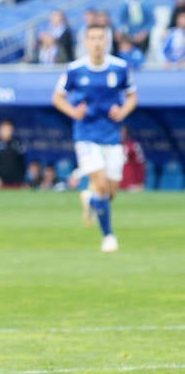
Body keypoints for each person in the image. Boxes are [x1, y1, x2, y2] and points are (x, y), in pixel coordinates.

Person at [52, 24, 138, 252]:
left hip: (111, 135)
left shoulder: (119, 67)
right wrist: (73, 112)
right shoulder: (75, 69)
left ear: (107, 41)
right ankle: (108, 236)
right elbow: (58, 97)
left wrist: (123, 111)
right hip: (86, 135)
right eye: (92, 38)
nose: (97, 42)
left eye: (101, 38)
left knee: (110, 192)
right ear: (86, 42)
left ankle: (90, 200)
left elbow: (132, 96)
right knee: (100, 184)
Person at [0, 119, 27, 188]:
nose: (7, 132)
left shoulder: (18, 144)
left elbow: (22, 163)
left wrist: (23, 178)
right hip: (1, 181)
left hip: (17, 181)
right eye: (5, 129)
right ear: (0, 130)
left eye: (9, 129)